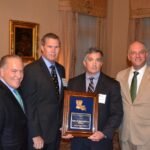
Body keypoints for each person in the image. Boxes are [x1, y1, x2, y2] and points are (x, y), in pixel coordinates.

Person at [63, 48, 123, 150]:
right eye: (90, 60)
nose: (94, 63)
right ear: (84, 63)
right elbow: (66, 109)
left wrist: (104, 133)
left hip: (101, 142)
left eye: (98, 60)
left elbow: (117, 113)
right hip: (78, 141)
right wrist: (66, 128)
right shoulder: (73, 83)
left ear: (101, 63)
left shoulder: (112, 85)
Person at [21, 32, 66, 150]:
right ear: (42, 48)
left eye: (56, 47)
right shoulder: (31, 70)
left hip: (56, 132)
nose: (53, 50)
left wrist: (64, 123)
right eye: (50, 46)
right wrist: (35, 134)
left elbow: (60, 100)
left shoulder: (61, 69)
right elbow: (29, 105)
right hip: (39, 133)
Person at [116, 41, 150, 150]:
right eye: (133, 53)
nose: (138, 56)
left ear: (146, 55)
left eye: (141, 52)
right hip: (125, 134)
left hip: (147, 137)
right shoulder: (120, 76)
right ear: (129, 56)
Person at [0, 55, 27, 150]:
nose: (19, 76)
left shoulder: (17, 89)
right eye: (14, 71)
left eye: (21, 71)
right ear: (1, 72)